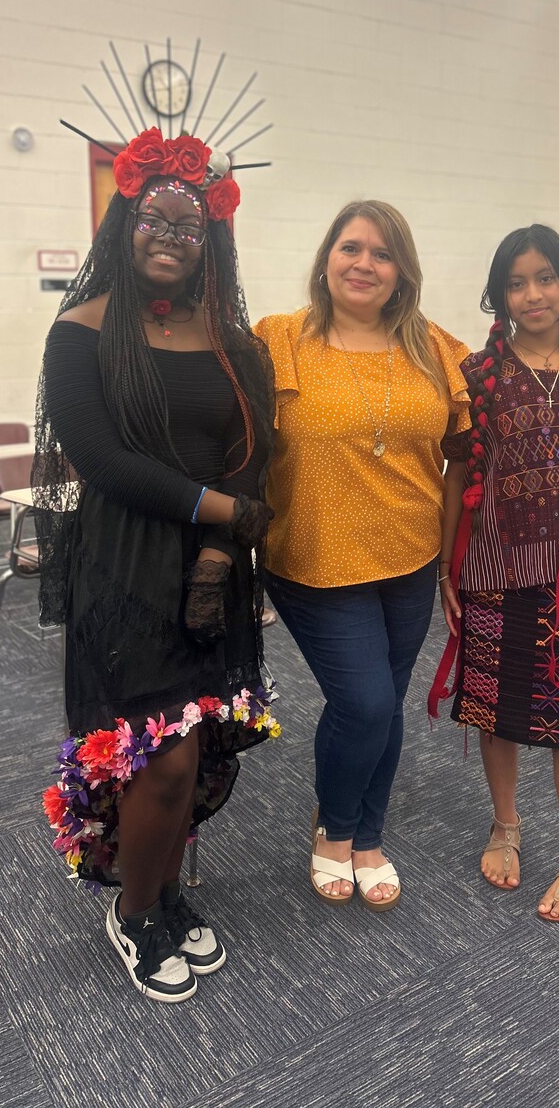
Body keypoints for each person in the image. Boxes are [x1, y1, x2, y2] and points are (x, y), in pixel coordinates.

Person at [35, 127, 278, 1002]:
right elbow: (103, 462)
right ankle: (134, 912)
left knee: (196, 743)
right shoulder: (82, 331)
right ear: (123, 226)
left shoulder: (230, 339)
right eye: (154, 221)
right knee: (158, 757)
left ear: (210, 238)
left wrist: (220, 550)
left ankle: (167, 891)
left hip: (212, 569)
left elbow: (254, 446)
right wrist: (224, 512)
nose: (170, 238)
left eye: (189, 226)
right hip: (124, 563)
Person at [254, 200, 470, 910]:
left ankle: (369, 836)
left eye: (382, 254)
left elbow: (468, 449)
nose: (364, 264)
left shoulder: (435, 349)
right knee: (367, 701)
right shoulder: (279, 339)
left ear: (401, 271)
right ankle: (335, 831)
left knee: (387, 704)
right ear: (326, 258)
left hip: (409, 553)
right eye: (351, 248)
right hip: (313, 556)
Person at [430, 224, 559, 922]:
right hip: (492, 569)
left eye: (545, 277)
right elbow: (458, 473)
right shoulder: (478, 377)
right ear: (498, 295)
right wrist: (446, 570)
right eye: (516, 282)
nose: (533, 293)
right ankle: (506, 824)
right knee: (498, 712)